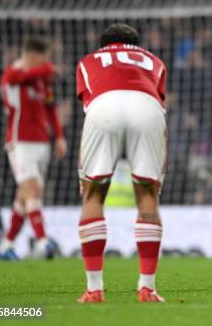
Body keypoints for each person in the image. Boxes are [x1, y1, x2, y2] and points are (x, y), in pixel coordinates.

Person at [75, 23, 167, 303]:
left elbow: (88, 100)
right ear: (137, 45)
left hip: (103, 106)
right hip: (147, 106)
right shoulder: (155, 61)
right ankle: (147, 288)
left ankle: (94, 289)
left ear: (104, 46)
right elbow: (160, 102)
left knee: (93, 193)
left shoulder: (88, 61)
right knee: (148, 195)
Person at [0, 36, 67, 260]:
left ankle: (6, 245)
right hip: (20, 142)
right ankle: (44, 242)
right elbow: (27, 76)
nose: (46, 63)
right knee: (33, 189)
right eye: (43, 58)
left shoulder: (42, 78)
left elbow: (50, 108)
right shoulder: (13, 74)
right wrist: (48, 67)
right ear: (31, 55)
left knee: (25, 196)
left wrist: (58, 136)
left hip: (42, 142)